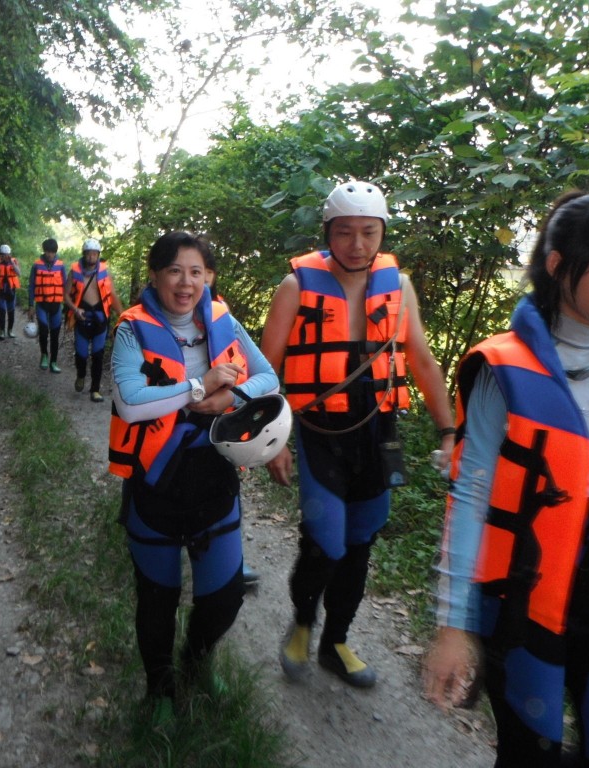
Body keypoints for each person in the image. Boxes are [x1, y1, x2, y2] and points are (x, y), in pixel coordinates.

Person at [423, 191, 589, 767]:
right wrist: (452, 626)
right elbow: (471, 496)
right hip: (524, 594)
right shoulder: (503, 367)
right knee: (529, 755)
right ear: (558, 264)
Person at [260, 180, 455, 687]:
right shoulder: (297, 286)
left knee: (361, 540)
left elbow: (424, 361)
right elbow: (266, 371)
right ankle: (303, 622)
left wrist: (449, 430)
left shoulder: (399, 287)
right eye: (345, 233)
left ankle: (336, 642)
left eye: (369, 232)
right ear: (328, 234)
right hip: (320, 431)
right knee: (325, 540)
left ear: (382, 233)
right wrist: (273, 441)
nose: (357, 244)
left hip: (378, 431)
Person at [109, 231, 280, 726]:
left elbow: (268, 377)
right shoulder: (132, 330)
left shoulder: (223, 320)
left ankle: (197, 661)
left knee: (224, 596)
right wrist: (196, 388)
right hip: (156, 479)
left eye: (197, 272)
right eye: (175, 272)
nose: (186, 283)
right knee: (156, 600)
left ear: (209, 277)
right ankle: (159, 689)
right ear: (156, 277)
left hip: (214, 475)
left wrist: (231, 397)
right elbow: (129, 402)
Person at [201, 248, 261, 589]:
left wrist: (230, 395)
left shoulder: (223, 314)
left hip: (221, 417)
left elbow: (247, 368)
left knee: (226, 487)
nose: (201, 279)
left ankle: (231, 560)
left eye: (206, 271)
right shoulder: (159, 315)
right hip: (176, 418)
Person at [64, 238, 125, 402]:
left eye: (94, 254)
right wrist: (75, 309)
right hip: (81, 317)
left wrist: (123, 316)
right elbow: (66, 295)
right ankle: (81, 375)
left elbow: (112, 295)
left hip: (100, 317)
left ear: (98, 255)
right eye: (88, 254)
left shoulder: (105, 271)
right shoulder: (75, 271)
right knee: (82, 355)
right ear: (84, 254)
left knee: (98, 355)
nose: (91, 257)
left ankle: (95, 389)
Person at [27, 238, 66, 373]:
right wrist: (30, 305)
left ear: (55, 252)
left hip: (56, 305)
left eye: (52, 252)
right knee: (43, 331)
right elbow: (31, 285)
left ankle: (53, 362)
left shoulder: (61, 265)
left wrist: (67, 306)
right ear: (44, 251)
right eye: (48, 252)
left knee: (55, 335)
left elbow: (65, 286)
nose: (50, 254)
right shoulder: (37, 265)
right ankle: (44, 354)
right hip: (41, 305)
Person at [0, 244, 21, 339]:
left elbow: (19, 273)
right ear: (0, 254)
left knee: (11, 311)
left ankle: (10, 330)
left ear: (10, 254)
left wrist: (12, 263)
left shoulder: (13, 261)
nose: (5, 256)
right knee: (2, 311)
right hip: (1, 290)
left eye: (7, 254)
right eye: (3, 254)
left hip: (11, 290)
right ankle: (2, 332)